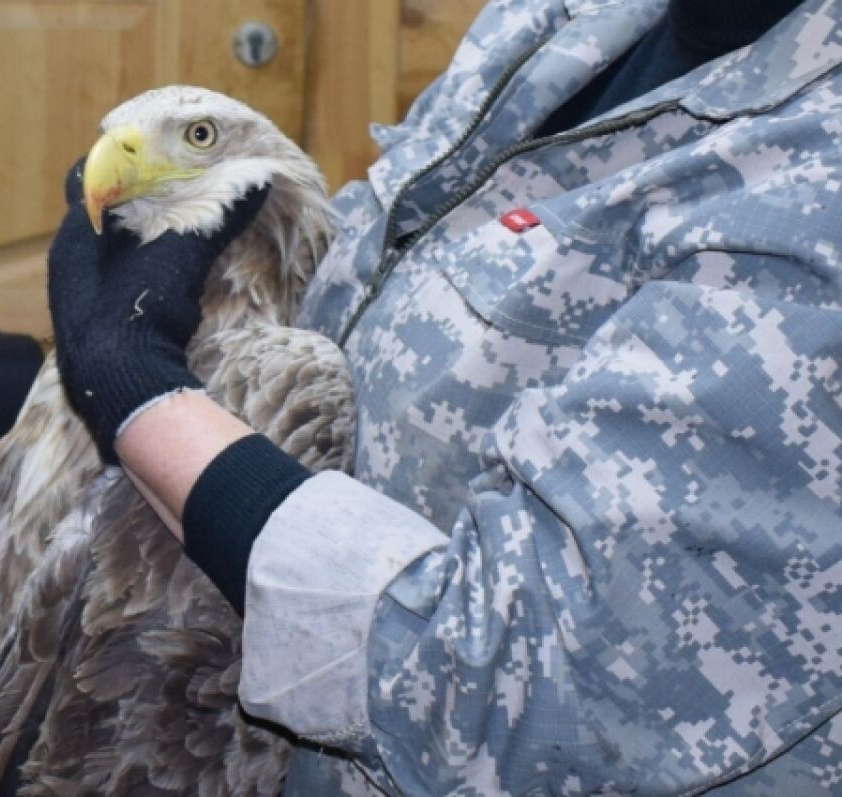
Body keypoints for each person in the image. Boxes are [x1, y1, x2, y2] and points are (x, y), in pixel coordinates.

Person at [47, 0, 842, 793]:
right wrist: (244, 245)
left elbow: (510, 693)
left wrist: (141, 395)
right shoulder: (564, 18)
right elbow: (400, 247)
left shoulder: (820, 188)